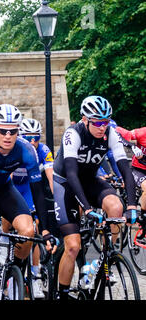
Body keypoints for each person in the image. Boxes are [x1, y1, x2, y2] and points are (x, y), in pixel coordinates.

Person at [0, 104, 56, 300]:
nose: (8, 135)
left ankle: (8, 270)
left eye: (13, 131)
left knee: (29, 231)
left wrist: (46, 230)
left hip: (3, 190)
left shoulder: (26, 150)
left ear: (18, 131)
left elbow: (38, 192)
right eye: (3, 130)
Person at [53, 95, 138, 300]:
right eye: (98, 122)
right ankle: (62, 294)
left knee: (116, 208)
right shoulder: (73, 134)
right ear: (85, 120)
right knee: (73, 246)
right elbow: (72, 174)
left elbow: (126, 170)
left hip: (90, 179)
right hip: (65, 182)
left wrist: (132, 206)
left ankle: (103, 259)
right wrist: (88, 209)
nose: (103, 127)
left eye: (106, 121)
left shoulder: (110, 133)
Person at [11, 118, 55, 298]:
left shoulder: (44, 151)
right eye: (28, 137)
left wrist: (56, 198)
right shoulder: (15, 149)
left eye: (36, 138)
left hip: (29, 188)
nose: (32, 142)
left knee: (35, 230)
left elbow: (51, 177)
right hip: (12, 188)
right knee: (7, 223)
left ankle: (35, 275)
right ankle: (4, 259)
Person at [114, 124, 146, 217]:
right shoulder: (142, 133)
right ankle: (143, 218)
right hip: (138, 169)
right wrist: (133, 146)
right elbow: (118, 132)